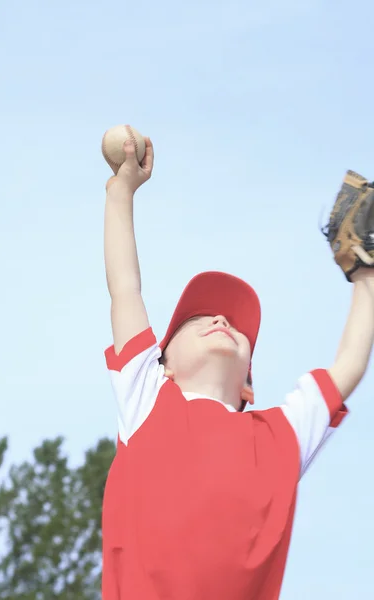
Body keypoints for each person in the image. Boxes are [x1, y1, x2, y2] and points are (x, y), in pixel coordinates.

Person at [102, 137, 374, 600]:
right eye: (197, 319)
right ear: (161, 364)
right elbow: (125, 288)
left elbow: (347, 366)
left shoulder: (277, 436)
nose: (221, 320)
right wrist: (120, 192)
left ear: (250, 386)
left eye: (234, 325)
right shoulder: (148, 397)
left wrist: (365, 274)